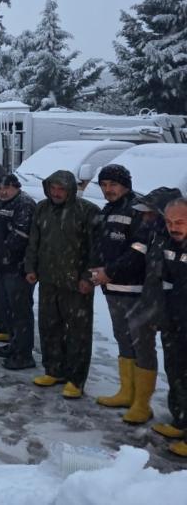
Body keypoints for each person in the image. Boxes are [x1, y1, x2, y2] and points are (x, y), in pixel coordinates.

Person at [89, 165, 157, 423]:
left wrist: (112, 271)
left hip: (136, 290)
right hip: (113, 288)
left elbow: (138, 252)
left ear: (125, 184)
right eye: (104, 185)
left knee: (143, 345)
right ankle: (126, 392)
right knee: (123, 339)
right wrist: (97, 270)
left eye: (113, 184)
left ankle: (142, 403)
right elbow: (102, 244)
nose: (108, 189)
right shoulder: (109, 209)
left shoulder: (137, 209)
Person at [25, 170, 100, 399]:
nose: (56, 193)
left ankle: (76, 380)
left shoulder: (87, 211)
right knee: (49, 327)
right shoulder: (42, 208)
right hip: (48, 280)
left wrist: (88, 277)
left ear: (70, 191)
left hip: (76, 284)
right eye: (53, 189)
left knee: (78, 333)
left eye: (61, 189)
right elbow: (33, 241)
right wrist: (30, 268)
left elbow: (96, 249)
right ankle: (54, 370)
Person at [138, 196, 187, 456]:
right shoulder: (169, 243)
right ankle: (180, 421)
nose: (174, 227)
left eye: (180, 222)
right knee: (176, 372)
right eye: (169, 222)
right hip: (172, 321)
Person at [0, 174, 36, 369]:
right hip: (1, 265)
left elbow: (20, 236)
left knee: (21, 310)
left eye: (7, 188)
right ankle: (14, 345)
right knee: (8, 308)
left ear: (17, 188)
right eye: (0, 189)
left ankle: (24, 354)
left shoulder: (24, 204)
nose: (3, 192)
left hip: (18, 267)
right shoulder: (0, 203)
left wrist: (4, 253)